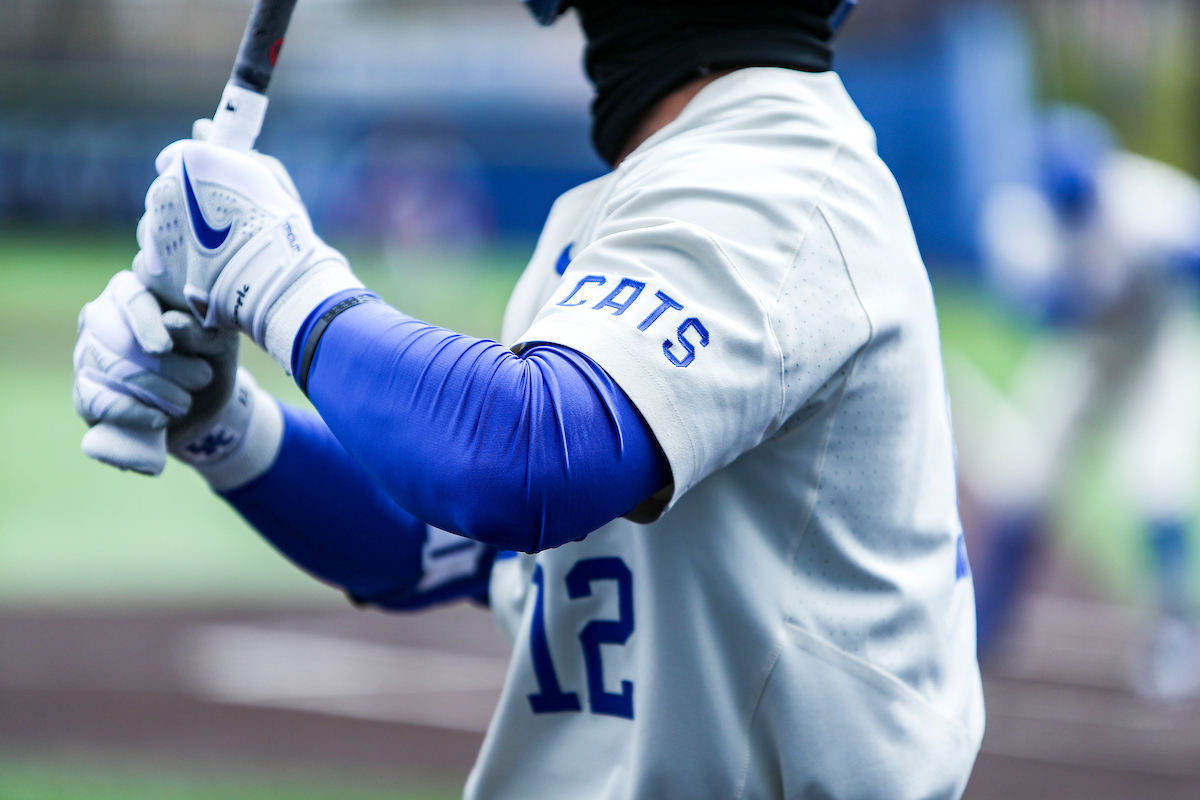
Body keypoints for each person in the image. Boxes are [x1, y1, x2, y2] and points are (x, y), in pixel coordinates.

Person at [72, 0, 984, 796]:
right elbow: (432, 544)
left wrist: (274, 278)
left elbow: (519, 459)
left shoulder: (775, 175)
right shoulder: (667, 186)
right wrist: (223, 427)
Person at [965, 105, 1200, 696]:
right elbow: (1039, 310)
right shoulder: (1024, 225)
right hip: (1082, 353)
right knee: (1025, 478)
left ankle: (1176, 635)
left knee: (1156, 481)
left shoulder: (1144, 198)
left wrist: (1179, 260)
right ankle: (988, 624)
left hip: (1151, 346)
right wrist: (1077, 292)